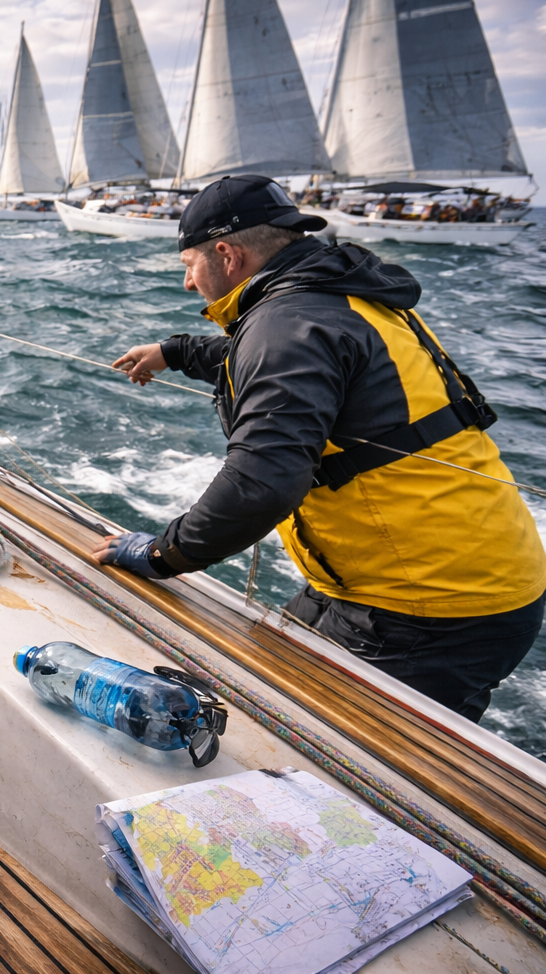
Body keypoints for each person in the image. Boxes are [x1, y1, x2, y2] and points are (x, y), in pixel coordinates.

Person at [93, 174, 545, 721]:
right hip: (451, 575)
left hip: (427, 608)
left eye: (189, 265)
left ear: (227, 255)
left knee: (313, 745)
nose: (189, 283)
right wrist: (176, 351)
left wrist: (163, 555)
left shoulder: (288, 323)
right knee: (255, 684)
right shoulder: (337, 294)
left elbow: (260, 484)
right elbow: (270, 356)